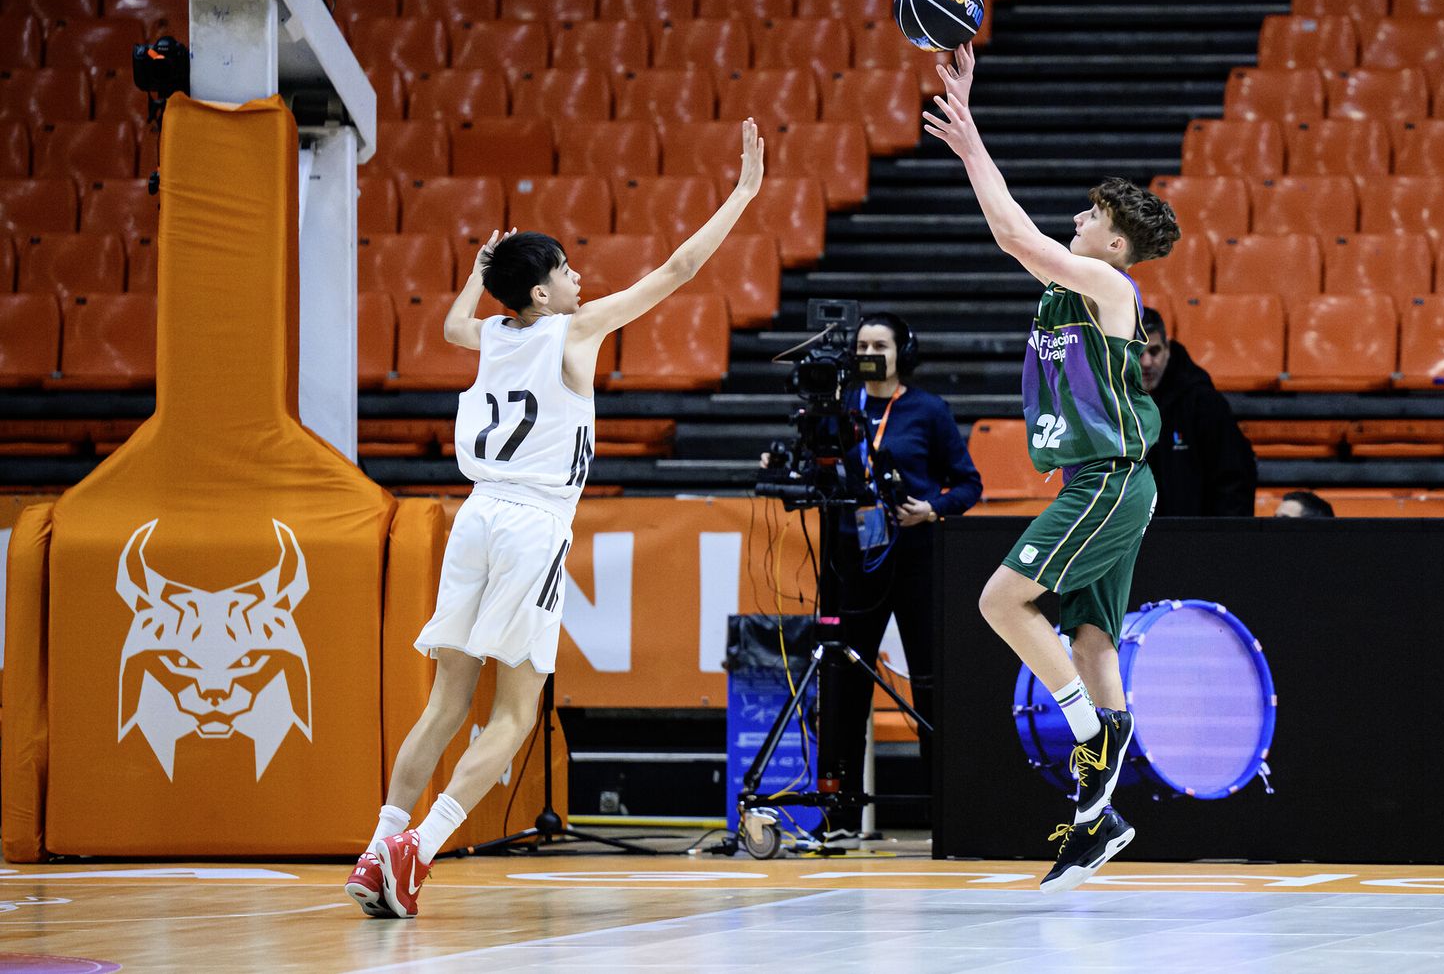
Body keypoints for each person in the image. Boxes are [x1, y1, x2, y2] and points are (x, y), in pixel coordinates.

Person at [344, 119, 765, 919]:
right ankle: (417, 849)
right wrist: (742, 193)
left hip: (473, 515)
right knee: (513, 715)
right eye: (567, 272)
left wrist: (475, 275)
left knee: (443, 704)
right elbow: (676, 269)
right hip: (531, 523)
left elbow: (448, 326)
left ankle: (377, 848)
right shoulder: (573, 334)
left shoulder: (493, 333)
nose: (581, 279)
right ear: (542, 294)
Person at [924, 43, 1179, 892]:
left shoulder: (1112, 290)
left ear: (1116, 239)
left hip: (1110, 479)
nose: (1077, 217)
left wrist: (970, 138)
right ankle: (1099, 818)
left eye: (1090, 213)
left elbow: (1009, 231)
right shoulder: (1070, 290)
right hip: (1096, 483)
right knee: (1091, 636)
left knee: (1002, 600)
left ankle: (1092, 740)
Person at [821, 311, 983, 833]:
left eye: (880, 345)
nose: (869, 352)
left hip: (915, 556)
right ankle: (840, 811)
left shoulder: (928, 410)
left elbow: (967, 485)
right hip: (854, 559)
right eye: (862, 344)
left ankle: (945, 809)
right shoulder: (838, 409)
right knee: (846, 683)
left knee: (929, 681)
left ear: (901, 353)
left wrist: (931, 509)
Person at [1139, 308, 1258, 516]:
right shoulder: (1114, 403)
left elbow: (1234, 480)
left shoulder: (1204, 402)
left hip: (1198, 539)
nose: (1147, 362)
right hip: (1141, 540)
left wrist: (1222, 541)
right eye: (1139, 353)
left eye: (1155, 351)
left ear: (1167, 348)